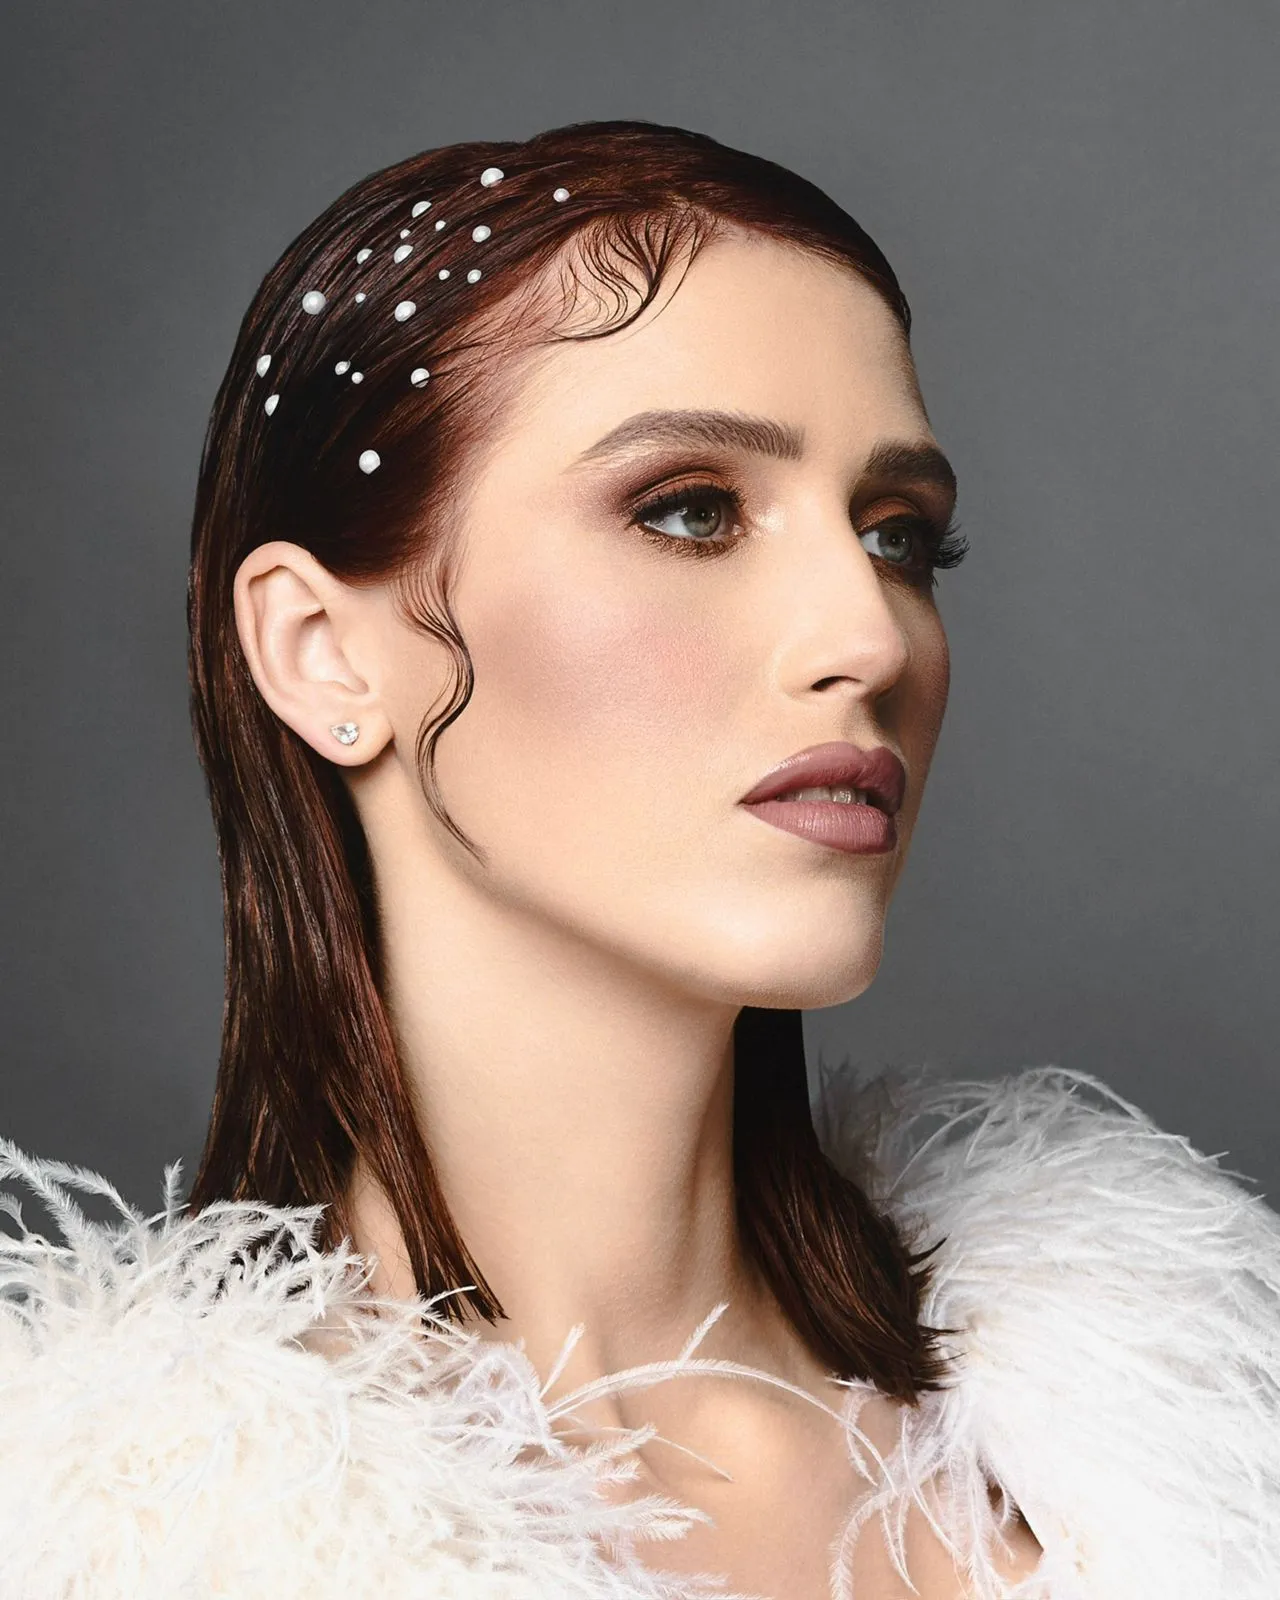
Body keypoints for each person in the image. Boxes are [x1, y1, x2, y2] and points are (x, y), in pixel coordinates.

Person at [1, 120, 1277, 1600]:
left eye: (898, 537)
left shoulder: (1184, 1433)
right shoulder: (132, 1542)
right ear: (322, 650)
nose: (869, 638)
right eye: (691, 511)